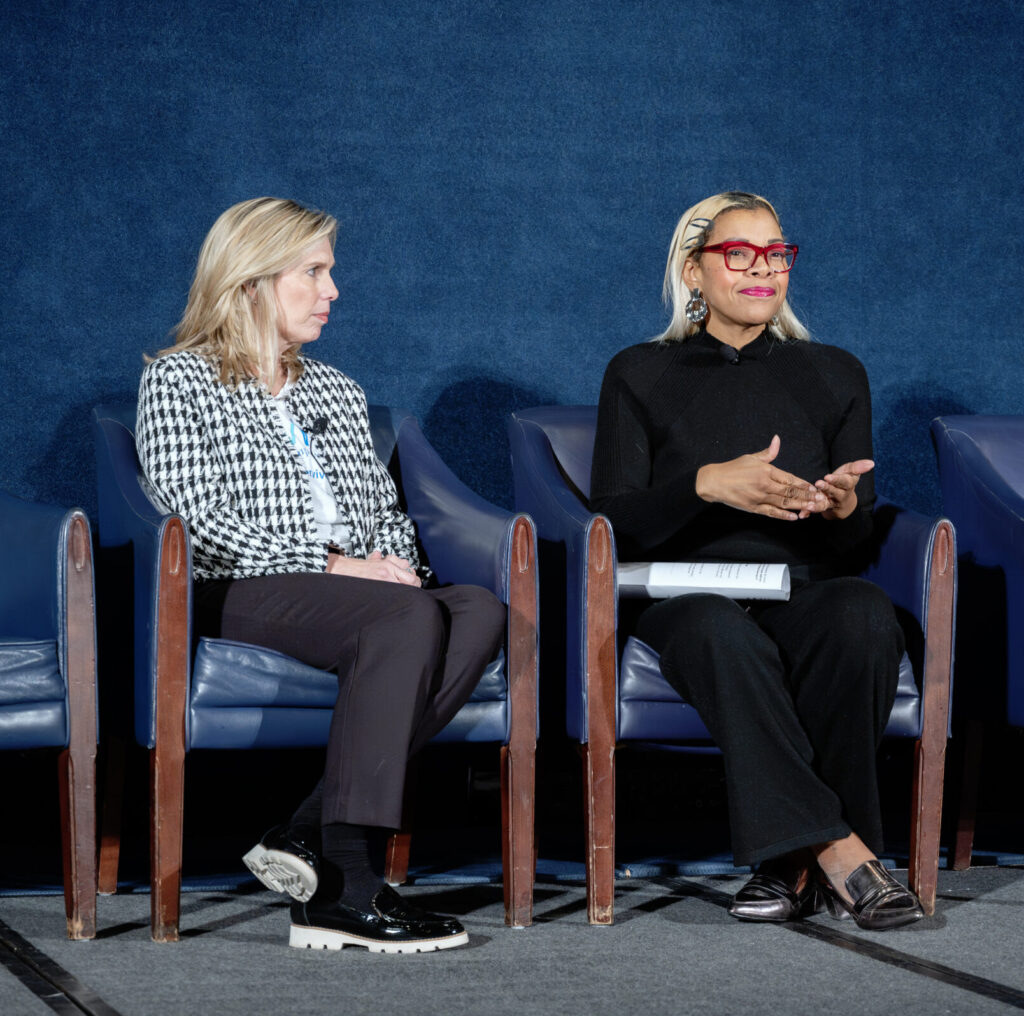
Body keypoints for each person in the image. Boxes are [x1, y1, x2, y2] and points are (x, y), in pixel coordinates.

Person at [136, 197, 505, 953]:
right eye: (314, 272)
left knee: (477, 609)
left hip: (350, 590)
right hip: (236, 583)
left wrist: (397, 567)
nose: (333, 290)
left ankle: (307, 830)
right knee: (403, 618)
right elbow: (194, 516)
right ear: (251, 282)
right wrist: (334, 564)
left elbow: (382, 506)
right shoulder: (178, 380)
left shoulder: (335, 389)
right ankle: (345, 882)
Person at [589, 191, 924, 930]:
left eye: (777, 254)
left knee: (864, 617)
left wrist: (842, 509)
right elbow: (614, 521)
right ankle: (843, 853)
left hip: (801, 583)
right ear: (693, 270)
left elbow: (852, 543)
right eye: (739, 254)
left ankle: (788, 862)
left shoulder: (836, 372)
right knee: (719, 632)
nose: (762, 270)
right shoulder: (638, 372)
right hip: (683, 595)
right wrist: (706, 485)